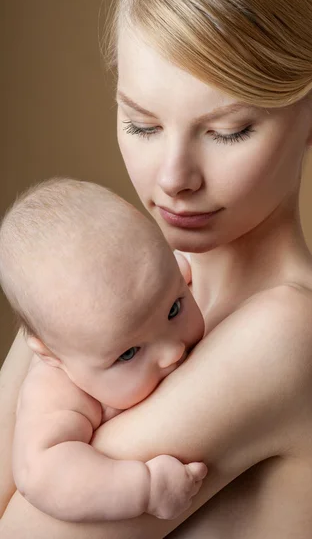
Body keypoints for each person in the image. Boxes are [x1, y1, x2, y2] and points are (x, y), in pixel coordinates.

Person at [0, 0, 312, 537]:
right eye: (142, 123)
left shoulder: (301, 336)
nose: (173, 178)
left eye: (229, 131)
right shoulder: (91, 289)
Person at [0, 178, 207, 523]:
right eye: (128, 353)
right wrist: (145, 488)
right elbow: (42, 473)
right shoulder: (56, 394)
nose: (172, 351)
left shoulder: (153, 285)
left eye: (174, 309)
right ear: (51, 356)